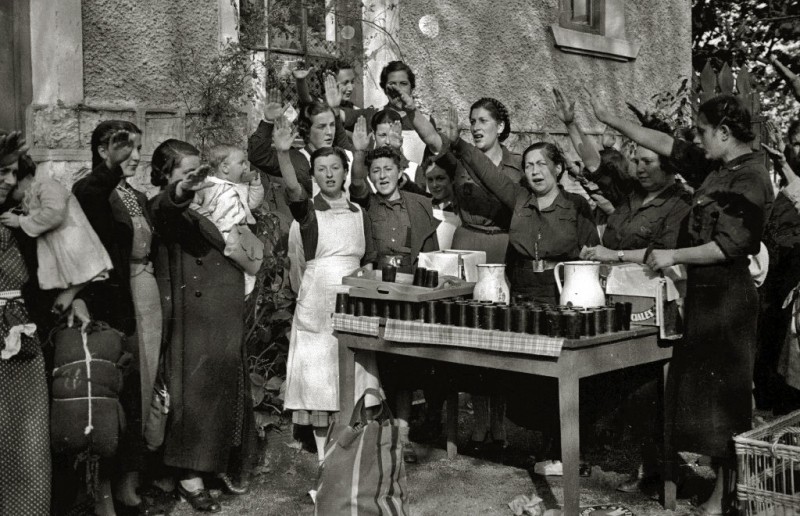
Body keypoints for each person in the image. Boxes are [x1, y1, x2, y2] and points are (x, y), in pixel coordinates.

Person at [589, 92, 774, 515]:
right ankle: (717, 487)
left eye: (704, 131)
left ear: (724, 133)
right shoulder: (718, 165)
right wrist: (613, 119)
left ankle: (724, 495)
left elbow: (731, 246)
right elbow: (665, 144)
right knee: (703, 400)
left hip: (728, 299)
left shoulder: (751, 179)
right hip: (707, 298)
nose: (697, 138)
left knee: (725, 402)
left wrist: (673, 256)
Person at [148, 139, 256, 513]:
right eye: (185, 173)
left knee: (216, 388)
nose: (197, 180)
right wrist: (180, 193)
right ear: (167, 175)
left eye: (199, 172)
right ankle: (187, 474)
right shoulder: (166, 206)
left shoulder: (214, 201)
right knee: (190, 392)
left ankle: (210, 465)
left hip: (222, 307)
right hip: (192, 314)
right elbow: (166, 207)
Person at [271, 117, 381, 466]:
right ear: (314, 175)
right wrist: (283, 155)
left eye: (336, 168)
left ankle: (352, 450)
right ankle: (325, 459)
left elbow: (369, 256)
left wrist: (360, 154)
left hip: (353, 299)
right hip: (319, 302)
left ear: (345, 173)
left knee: (354, 373)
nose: (330, 174)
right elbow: (292, 193)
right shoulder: (307, 213)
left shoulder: (359, 211)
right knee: (320, 377)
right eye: (322, 169)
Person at [72, 120, 162, 514]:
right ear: (104, 150)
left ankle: (126, 486)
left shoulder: (128, 194)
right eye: (127, 148)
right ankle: (101, 496)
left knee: (130, 393)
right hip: (97, 307)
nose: (136, 156)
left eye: (139, 148)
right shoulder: (90, 190)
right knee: (105, 401)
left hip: (124, 304)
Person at [350, 121, 440, 462]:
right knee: (385, 361)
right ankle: (385, 432)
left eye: (388, 168)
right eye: (376, 170)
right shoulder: (365, 203)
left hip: (413, 291)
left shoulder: (419, 204)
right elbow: (356, 182)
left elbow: (430, 250)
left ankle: (404, 432)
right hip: (377, 292)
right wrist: (360, 152)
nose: (382, 175)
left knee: (409, 361)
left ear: (400, 170)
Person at [0, 131, 51, 516]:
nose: (9, 181)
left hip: (20, 335)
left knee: (26, 434)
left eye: (12, 173)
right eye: (2, 172)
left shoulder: (17, 222)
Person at [0, 156, 113, 313]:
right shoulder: (31, 194)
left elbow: (54, 213)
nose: (10, 185)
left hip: (72, 241)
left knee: (81, 270)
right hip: (60, 246)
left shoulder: (46, 186)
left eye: (15, 182)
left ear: (25, 178)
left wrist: (21, 221)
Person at [189, 144, 264, 295]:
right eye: (242, 162)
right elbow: (194, 205)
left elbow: (251, 205)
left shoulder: (239, 186)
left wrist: (256, 187)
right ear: (225, 167)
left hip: (241, 236)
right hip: (220, 237)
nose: (245, 167)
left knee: (246, 270)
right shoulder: (208, 186)